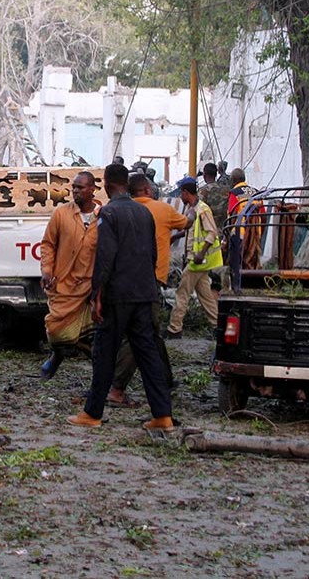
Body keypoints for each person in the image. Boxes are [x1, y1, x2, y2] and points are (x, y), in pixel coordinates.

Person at [67, 164, 174, 432]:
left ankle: (92, 413)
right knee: (147, 353)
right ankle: (162, 415)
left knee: (104, 354)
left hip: (118, 295)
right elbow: (152, 254)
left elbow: (105, 257)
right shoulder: (144, 212)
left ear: (105, 184)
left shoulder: (109, 213)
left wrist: (97, 295)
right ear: (125, 183)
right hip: (145, 293)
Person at [108, 174, 192, 407]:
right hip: (150, 280)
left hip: (123, 278)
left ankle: (165, 379)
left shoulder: (120, 210)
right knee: (141, 333)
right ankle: (116, 388)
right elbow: (187, 223)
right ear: (147, 189)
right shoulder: (161, 209)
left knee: (152, 333)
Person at [39, 171, 100, 378]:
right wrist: (47, 270)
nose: (75, 191)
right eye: (73, 187)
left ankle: (100, 372)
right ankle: (57, 355)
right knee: (56, 330)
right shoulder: (61, 214)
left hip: (90, 288)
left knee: (92, 333)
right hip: (64, 285)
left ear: (92, 189)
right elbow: (48, 244)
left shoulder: (103, 217)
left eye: (80, 187)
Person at [166, 176, 222, 339]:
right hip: (197, 262)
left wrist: (201, 253)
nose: (180, 198)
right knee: (206, 296)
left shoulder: (202, 210)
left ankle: (174, 329)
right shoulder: (192, 208)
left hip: (198, 261)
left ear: (185, 192)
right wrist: (176, 237)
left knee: (182, 293)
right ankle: (217, 326)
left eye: (181, 194)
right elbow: (191, 230)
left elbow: (212, 233)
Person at [227, 167, 265, 272]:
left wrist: (229, 233)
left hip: (240, 234)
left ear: (233, 180)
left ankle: (237, 285)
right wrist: (260, 232)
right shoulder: (257, 193)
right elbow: (263, 215)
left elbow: (233, 214)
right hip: (255, 234)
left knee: (237, 265)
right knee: (253, 262)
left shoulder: (234, 193)